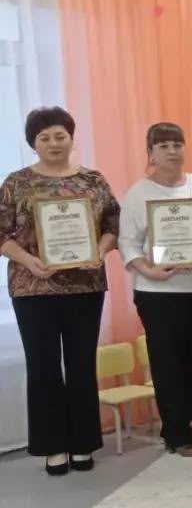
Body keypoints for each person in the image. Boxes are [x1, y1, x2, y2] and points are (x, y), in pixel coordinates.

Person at [0, 108, 119, 475]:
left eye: (59, 135)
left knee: (82, 365)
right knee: (44, 366)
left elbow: (112, 224)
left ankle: (83, 444)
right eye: (44, 137)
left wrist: (99, 252)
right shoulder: (17, 182)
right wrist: (29, 260)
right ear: (33, 143)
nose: (53, 143)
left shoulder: (92, 180)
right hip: (32, 287)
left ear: (71, 138)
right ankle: (52, 447)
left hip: (85, 286)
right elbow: (1, 234)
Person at [119, 123, 192, 457]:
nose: (172, 151)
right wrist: (148, 269)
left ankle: (178, 424)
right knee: (167, 361)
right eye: (163, 146)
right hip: (157, 292)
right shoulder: (139, 193)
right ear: (150, 153)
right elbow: (127, 242)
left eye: (177, 144)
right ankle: (177, 432)